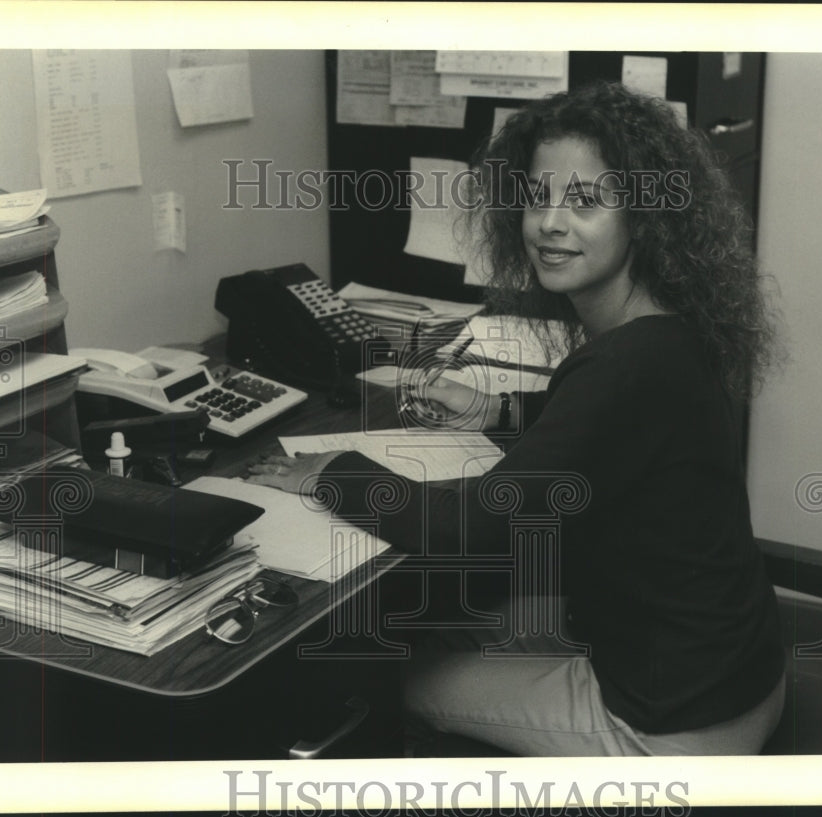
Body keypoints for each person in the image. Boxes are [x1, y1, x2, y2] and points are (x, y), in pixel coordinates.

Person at [248, 81, 787, 756]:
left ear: (646, 216)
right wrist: (493, 405)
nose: (549, 223)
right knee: (454, 624)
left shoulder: (623, 366)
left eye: (585, 201)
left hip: (673, 724)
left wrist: (334, 471)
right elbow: (603, 430)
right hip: (736, 670)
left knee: (396, 669)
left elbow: (471, 525)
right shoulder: (670, 331)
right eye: (538, 196)